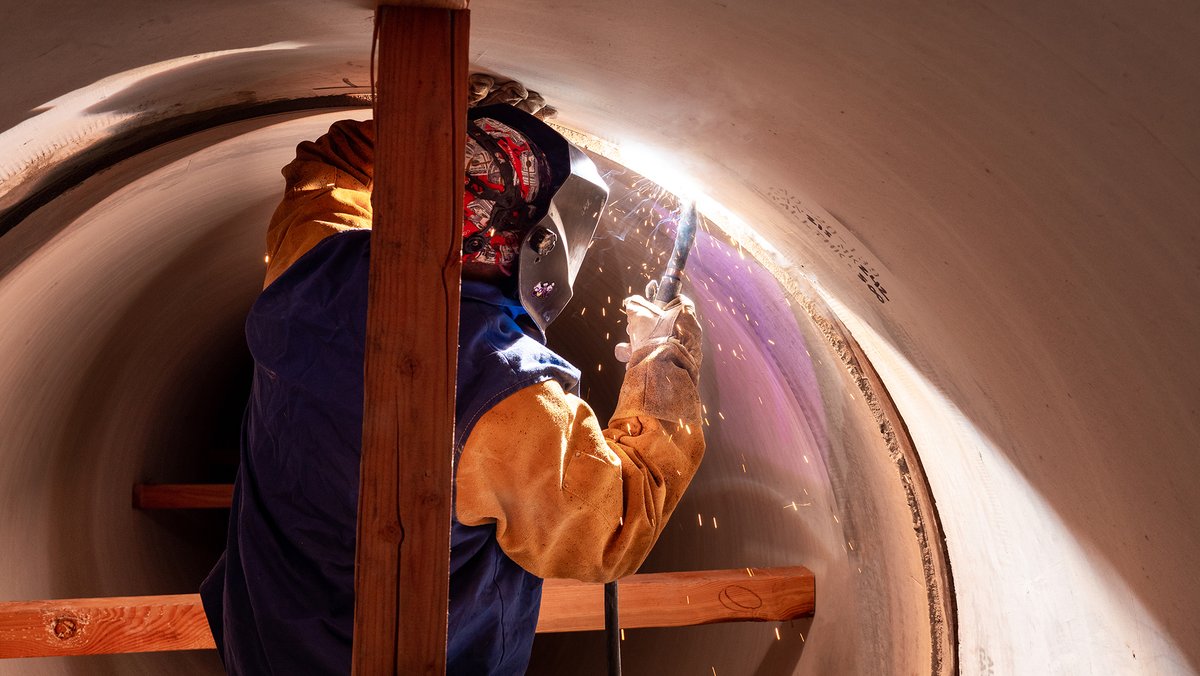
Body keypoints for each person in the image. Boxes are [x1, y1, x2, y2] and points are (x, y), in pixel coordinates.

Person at [200, 103, 705, 675]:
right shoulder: (505, 390)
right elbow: (613, 529)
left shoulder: (314, 264)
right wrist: (662, 363)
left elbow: (330, 165)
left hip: (265, 650)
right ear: (540, 245)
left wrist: (437, 117)